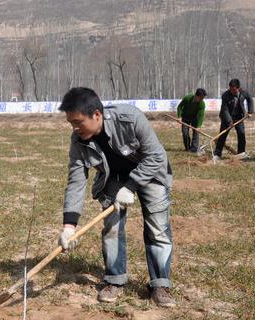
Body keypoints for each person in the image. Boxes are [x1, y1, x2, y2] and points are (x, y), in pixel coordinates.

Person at [57, 87, 175, 308]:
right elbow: (76, 180)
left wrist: (131, 186)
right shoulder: (78, 140)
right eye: (70, 122)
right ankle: (114, 280)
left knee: (157, 228)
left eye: (78, 121)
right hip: (114, 178)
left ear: (97, 115)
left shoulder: (130, 118)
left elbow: (156, 155)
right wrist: (69, 226)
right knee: (111, 228)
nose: (74, 128)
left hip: (151, 172)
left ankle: (160, 285)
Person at [213, 79, 253, 161]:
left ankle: (241, 153)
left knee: (241, 134)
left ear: (238, 88)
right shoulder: (225, 95)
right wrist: (229, 121)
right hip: (226, 117)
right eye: (230, 89)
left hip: (239, 117)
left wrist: (250, 111)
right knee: (222, 135)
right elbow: (225, 110)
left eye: (234, 90)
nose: (232, 91)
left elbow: (250, 99)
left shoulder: (244, 93)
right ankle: (217, 154)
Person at [177, 88, 207, 153]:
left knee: (196, 132)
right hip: (185, 117)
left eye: (203, 98)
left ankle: (194, 149)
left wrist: (198, 126)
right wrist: (179, 117)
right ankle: (187, 148)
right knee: (185, 133)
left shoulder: (202, 104)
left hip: (195, 118)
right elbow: (179, 107)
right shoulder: (187, 98)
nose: (202, 99)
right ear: (196, 96)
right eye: (201, 98)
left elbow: (201, 116)